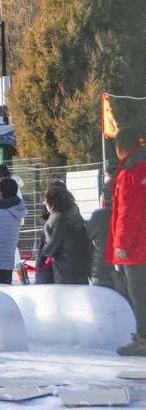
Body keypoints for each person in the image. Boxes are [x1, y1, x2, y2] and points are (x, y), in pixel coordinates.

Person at [109, 128, 146, 356]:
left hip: (137, 248)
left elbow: (128, 212)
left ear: (119, 148)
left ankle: (143, 339)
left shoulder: (131, 171)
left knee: (139, 293)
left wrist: (121, 244)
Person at [38, 184, 91, 285]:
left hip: (65, 270)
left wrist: (46, 233)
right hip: (82, 265)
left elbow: (50, 250)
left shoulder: (60, 221)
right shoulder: (75, 215)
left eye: (47, 202)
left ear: (53, 203)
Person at [88, 177, 122, 292]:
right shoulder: (131, 214)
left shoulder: (99, 215)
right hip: (128, 267)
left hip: (101, 269)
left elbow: (86, 237)